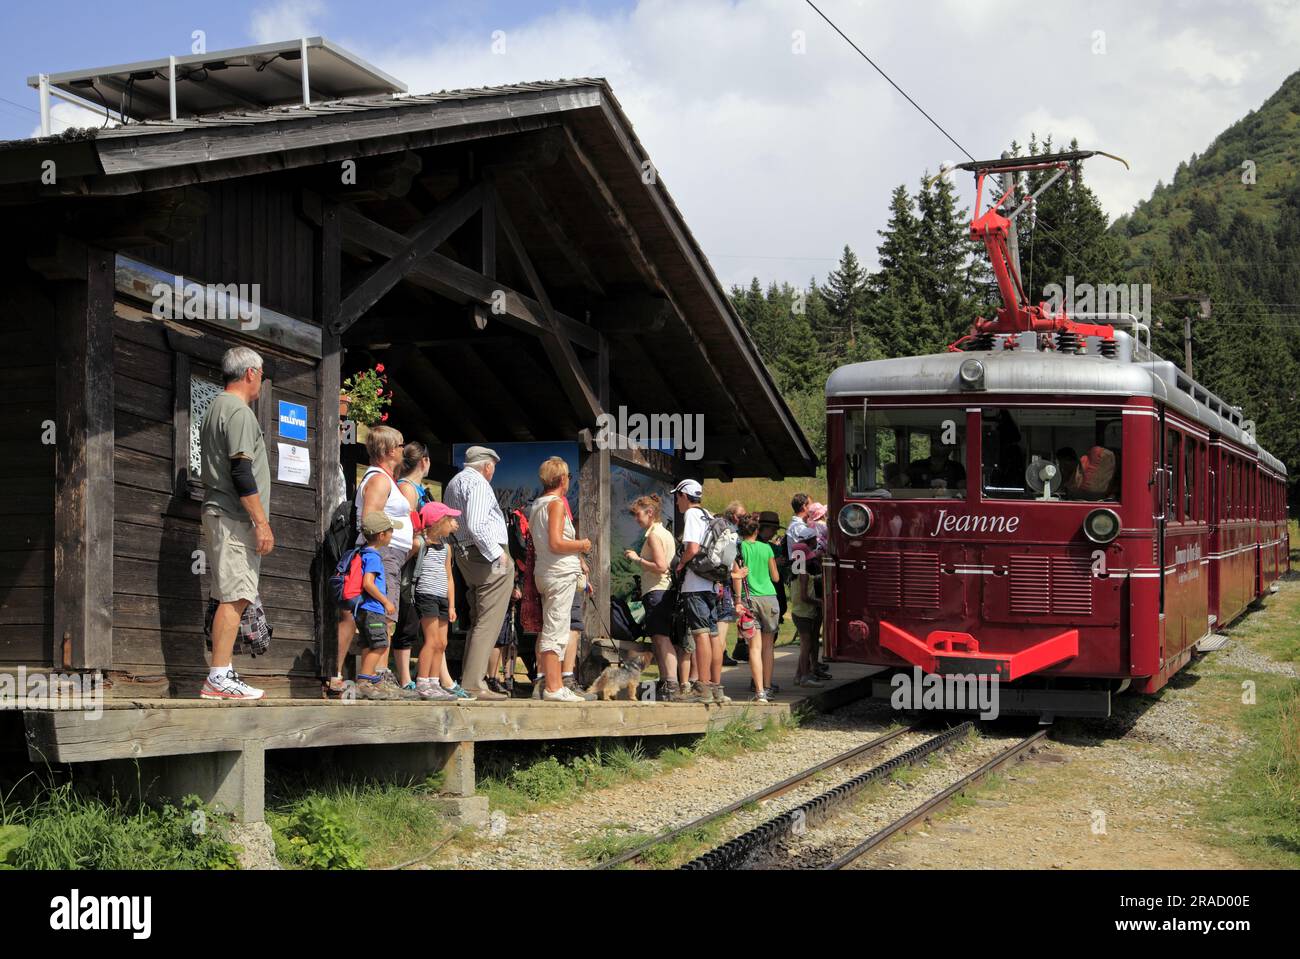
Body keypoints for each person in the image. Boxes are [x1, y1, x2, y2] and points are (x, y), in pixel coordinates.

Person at [199, 346, 272, 701]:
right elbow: (242, 471)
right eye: (262, 373)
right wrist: (261, 522)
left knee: (227, 595)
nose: (261, 379)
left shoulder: (215, 407)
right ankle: (217, 677)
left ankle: (223, 671)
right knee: (236, 595)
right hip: (234, 515)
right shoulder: (239, 412)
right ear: (251, 374)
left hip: (222, 513)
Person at [349, 424, 420, 700]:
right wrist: (386, 546)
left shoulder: (386, 478)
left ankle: (378, 677)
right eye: (401, 445)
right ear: (390, 450)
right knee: (382, 617)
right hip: (384, 556)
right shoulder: (379, 480)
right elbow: (370, 518)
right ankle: (374, 678)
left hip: (392, 556)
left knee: (385, 618)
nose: (404, 450)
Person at [442, 446, 511, 701]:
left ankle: (470, 679)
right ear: (488, 466)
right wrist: (497, 554)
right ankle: (474, 683)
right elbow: (477, 524)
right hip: (486, 555)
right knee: (489, 618)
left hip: (464, 553)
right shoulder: (479, 484)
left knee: (478, 616)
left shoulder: (454, 483)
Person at [529, 456, 590, 702]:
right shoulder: (555, 503)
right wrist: (582, 544)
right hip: (559, 572)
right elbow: (556, 542)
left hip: (546, 571)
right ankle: (554, 687)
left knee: (554, 627)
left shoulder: (538, 503)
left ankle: (554, 684)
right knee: (556, 630)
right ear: (562, 478)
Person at [673, 479, 725, 704]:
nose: (676, 502)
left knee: (700, 634)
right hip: (712, 583)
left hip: (695, 585)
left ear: (685, 496)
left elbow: (692, 548)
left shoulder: (692, 515)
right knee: (713, 635)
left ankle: (702, 686)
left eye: (677, 497)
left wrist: (681, 564)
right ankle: (715, 685)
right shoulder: (710, 514)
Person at [625, 494, 682, 700]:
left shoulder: (653, 535)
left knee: (661, 638)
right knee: (661, 638)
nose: (636, 519)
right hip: (663, 591)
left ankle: (671, 683)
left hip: (658, 591)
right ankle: (668, 682)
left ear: (650, 513)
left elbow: (660, 566)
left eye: (638, 514)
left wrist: (637, 559)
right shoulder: (664, 532)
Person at [414, 501, 469, 702]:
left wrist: (452, 604)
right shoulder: (420, 542)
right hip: (426, 595)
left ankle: (434, 681)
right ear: (439, 522)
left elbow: (449, 577)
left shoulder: (446, 548)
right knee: (432, 640)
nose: (454, 523)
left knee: (442, 642)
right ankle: (422, 681)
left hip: (442, 597)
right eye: (451, 519)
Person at [393, 440, 434, 691]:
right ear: (424, 461)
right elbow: (408, 526)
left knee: (412, 619)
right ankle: (405, 677)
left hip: (418, 562)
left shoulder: (416, 489)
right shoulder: (407, 489)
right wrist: (420, 541)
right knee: (405, 617)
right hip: (407, 561)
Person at [351, 511, 403, 700]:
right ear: (382, 535)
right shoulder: (373, 556)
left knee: (368, 644)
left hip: (364, 609)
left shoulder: (363, 552)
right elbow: (368, 583)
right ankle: (364, 682)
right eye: (390, 531)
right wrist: (386, 601)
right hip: (373, 609)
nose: (392, 535)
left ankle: (369, 680)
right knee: (381, 644)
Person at [734, 514, 780, 702]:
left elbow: (737, 575)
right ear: (757, 530)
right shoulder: (767, 547)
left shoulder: (739, 549)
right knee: (768, 647)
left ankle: (759, 691)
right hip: (769, 598)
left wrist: (737, 599)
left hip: (749, 600)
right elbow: (776, 577)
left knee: (754, 647)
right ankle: (768, 687)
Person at [790, 541, 824, 689]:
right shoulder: (803, 574)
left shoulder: (794, 573)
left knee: (805, 644)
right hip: (804, 613)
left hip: (798, 612)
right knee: (806, 646)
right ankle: (805, 676)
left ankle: (798, 675)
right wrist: (818, 602)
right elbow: (804, 596)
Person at [716, 501, 747, 667]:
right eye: (742, 515)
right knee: (720, 634)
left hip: (711, 584)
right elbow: (731, 565)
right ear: (734, 517)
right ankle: (713, 678)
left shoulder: (719, 530)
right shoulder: (732, 535)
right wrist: (738, 599)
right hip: (724, 587)